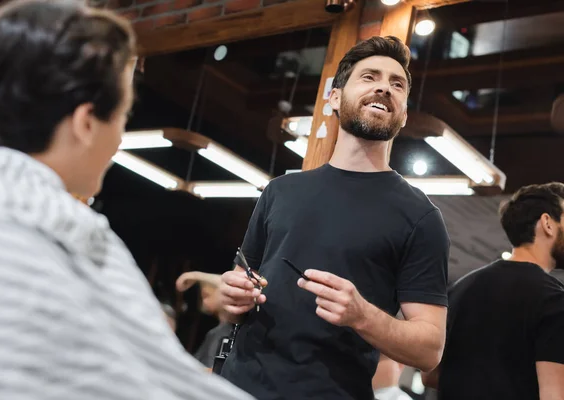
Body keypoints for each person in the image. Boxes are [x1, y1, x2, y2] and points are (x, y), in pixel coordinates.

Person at [0, 1, 252, 399]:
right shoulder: (73, 233)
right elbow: (165, 387)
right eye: (122, 115)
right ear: (85, 123)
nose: (118, 139)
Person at [219, 36, 450, 400]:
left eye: (397, 84)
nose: (383, 88)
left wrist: (362, 316)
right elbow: (236, 288)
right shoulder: (280, 191)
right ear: (335, 98)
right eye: (369, 77)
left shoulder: (420, 217)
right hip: (237, 388)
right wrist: (231, 296)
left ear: (404, 114)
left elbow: (429, 349)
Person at [422, 183, 564, 400]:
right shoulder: (554, 299)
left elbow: (430, 376)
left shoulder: (459, 289)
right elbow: (554, 395)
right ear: (547, 223)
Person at [176, 271, 234, 369]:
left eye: (206, 296)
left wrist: (196, 275)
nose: (204, 302)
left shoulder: (228, 333)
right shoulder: (215, 333)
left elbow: (212, 371)